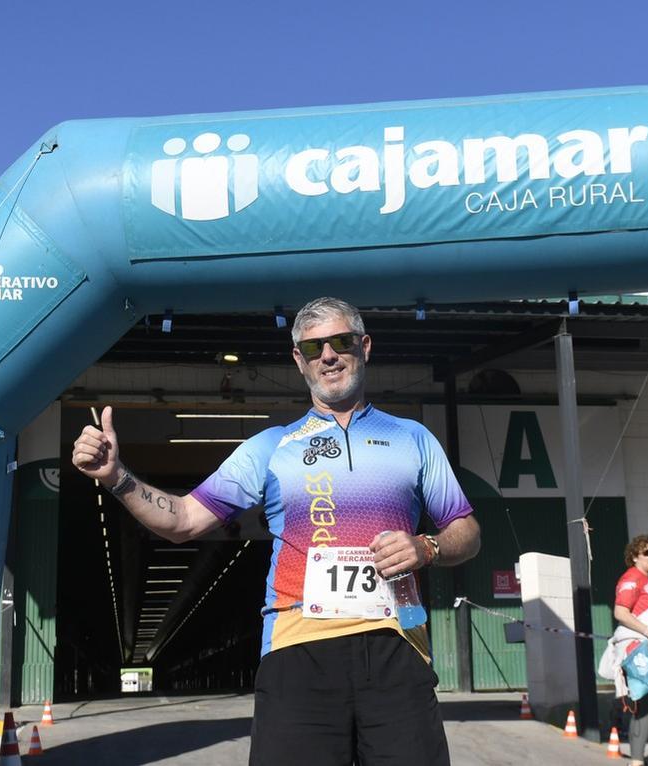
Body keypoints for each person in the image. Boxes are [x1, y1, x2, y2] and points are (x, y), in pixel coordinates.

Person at [71, 296, 481, 766]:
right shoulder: (270, 447)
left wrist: (427, 546)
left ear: (365, 347)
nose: (328, 356)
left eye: (341, 342)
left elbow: (466, 531)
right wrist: (116, 477)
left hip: (398, 645)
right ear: (298, 360)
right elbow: (182, 520)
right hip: (296, 649)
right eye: (313, 347)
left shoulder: (413, 439)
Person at [611, 534, 648, 766]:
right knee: (647, 706)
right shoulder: (632, 579)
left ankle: (637, 760)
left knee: (646, 705)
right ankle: (636, 761)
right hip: (637, 650)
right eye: (647, 552)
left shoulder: (644, 580)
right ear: (635, 556)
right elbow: (620, 612)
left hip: (645, 648)